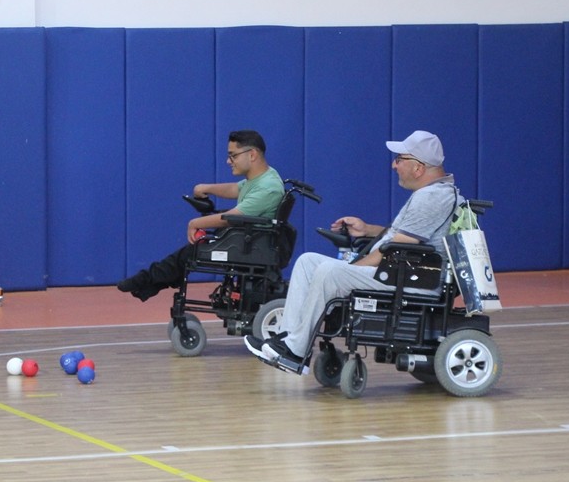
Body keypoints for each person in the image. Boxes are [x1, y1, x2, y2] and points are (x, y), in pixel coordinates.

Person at [245, 129, 461, 371]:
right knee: (308, 262)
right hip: (400, 270)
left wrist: (350, 269)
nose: (394, 165)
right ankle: (288, 340)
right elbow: (406, 236)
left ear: (419, 167)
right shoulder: (431, 193)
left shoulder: (432, 197)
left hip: (412, 278)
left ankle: (295, 351)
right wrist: (367, 229)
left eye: (400, 159)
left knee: (330, 272)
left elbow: (396, 248)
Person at [117, 130, 285, 301]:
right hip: (246, 241)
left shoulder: (268, 188)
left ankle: (147, 281)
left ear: (252, 154)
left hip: (249, 246)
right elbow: (237, 188)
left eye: (233, 156)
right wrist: (206, 187)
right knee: (188, 254)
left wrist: (195, 223)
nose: (228, 161)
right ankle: (149, 283)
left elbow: (233, 217)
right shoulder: (263, 178)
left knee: (190, 252)